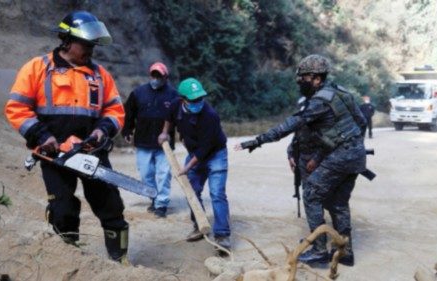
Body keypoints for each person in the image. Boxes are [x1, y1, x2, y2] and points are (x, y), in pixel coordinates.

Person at [4, 11, 129, 262]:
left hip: (91, 153)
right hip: (54, 155)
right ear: (67, 40)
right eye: (85, 44)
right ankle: (69, 258)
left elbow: (115, 110)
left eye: (92, 45)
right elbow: (16, 108)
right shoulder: (38, 68)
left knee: (111, 206)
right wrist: (42, 136)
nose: (89, 50)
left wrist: (101, 131)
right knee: (62, 209)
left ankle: (120, 259)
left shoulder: (100, 75)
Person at [237, 54, 368, 266]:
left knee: (311, 194)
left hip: (342, 156)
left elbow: (292, 124)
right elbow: (361, 122)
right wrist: (344, 142)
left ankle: (319, 250)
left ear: (316, 78)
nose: (300, 81)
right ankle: (344, 251)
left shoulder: (319, 101)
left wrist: (258, 140)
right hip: (356, 157)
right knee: (339, 203)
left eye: (304, 77)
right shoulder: (341, 92)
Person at [157, 78, 231, 253]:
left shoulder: (210, 115)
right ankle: (200, 225)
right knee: (192, 191)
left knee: (217, 193)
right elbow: (169, 118)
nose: (198, 103)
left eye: (200, 99)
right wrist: (165, 133)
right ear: (183, 99)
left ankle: (222, 235)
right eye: (193, 100)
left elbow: (205, 149)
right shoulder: (175, 105)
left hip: (215, 154)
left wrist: (186, 168)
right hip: (194, 153)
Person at [122, 62, 178, 218]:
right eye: (153, 75)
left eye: (159, 76)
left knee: (164, 174)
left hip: (165, 143)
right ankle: (153, 197)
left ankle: (161, 204)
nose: (156, 78)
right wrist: (127, 130)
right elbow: (129, 113)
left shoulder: (173, 95)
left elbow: (179, 118)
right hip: (143, 141)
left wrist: (184, 135)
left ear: (165, 77)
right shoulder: (138, 93)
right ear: (150, 75)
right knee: (146, 174)